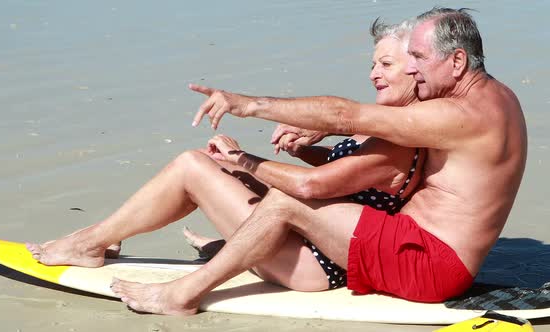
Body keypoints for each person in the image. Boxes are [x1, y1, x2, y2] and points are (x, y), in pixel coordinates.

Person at [33, 7, 527, 316]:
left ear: (457, 62)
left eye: (415, 58)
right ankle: (107, 240)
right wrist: (323, 134)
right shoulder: (493, 100)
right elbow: (361, 125)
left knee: (286, 199)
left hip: (428, 264)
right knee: (263, 188)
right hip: (421, 249)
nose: (411, 69)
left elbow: (346, 118)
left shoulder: (460, 113)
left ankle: (183, 294)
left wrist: (249, 105)